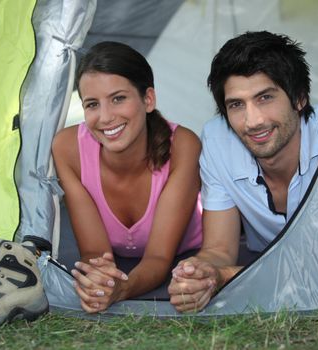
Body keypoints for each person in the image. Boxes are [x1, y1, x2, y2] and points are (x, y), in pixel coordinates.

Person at [168, 31, 318, 312]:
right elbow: (219, 250)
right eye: (236, 105)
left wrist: (227, 275)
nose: (252, 121)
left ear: (299, 98)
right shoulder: (218, 139)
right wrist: (200, 272)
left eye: (265, 98)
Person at [51, 41, 203, 313]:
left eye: (118, 98)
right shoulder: (67, 148)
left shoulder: (183, 145)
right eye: (92, 104)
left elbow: (158, 258)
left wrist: (122, 289)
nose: (106, 117)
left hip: (184, 254)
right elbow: (96, 254)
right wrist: (100, 280)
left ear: (148, 100)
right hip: (129, 264)